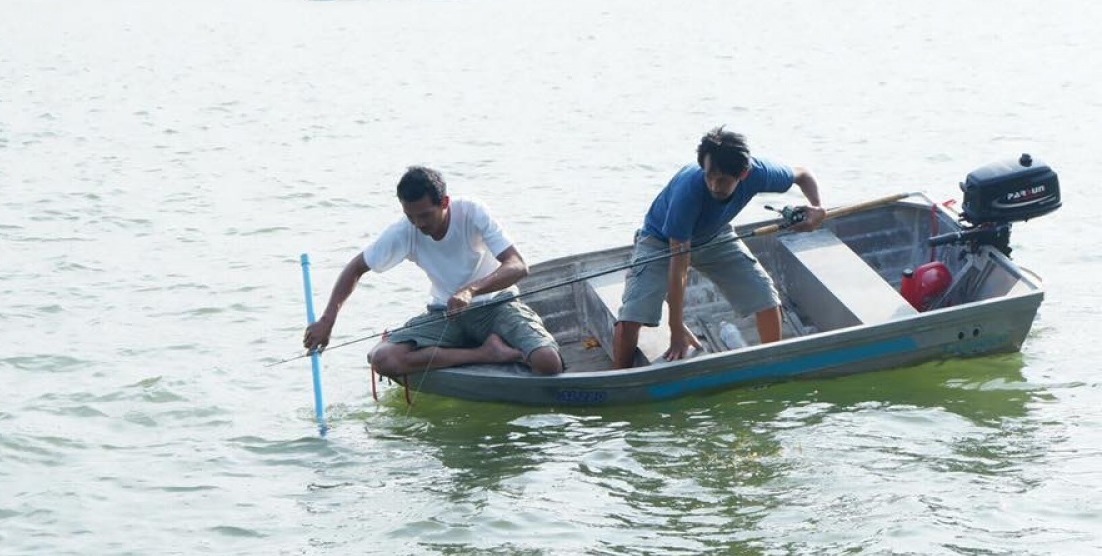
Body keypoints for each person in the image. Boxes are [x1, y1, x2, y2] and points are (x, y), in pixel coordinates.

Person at [303, 166, 564, 377]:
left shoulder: (472, 212)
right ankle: (487, 353)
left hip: (496, 305)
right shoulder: (404, 231)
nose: (418, 224)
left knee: (548, 362)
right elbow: (355, 268)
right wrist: (327, 322)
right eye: (411, 216)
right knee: (381, 358)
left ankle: (483, 349)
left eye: (425, 215)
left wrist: (470, 291)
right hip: (445, 314)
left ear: (445, 202)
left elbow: (517, 265)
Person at [612, 126, 826, 369]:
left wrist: (818, 208)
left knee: (766, 298)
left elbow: (803, 175)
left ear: (743, 175)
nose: (714, 185)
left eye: (722, 179)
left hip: (715, 236)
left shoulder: (760, 173)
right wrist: (676, 331)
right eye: (709, 176)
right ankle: (619, 375)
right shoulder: (689, 189)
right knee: (633, 316)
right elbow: (679, 263)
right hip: (661, 242)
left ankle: (771, 365)